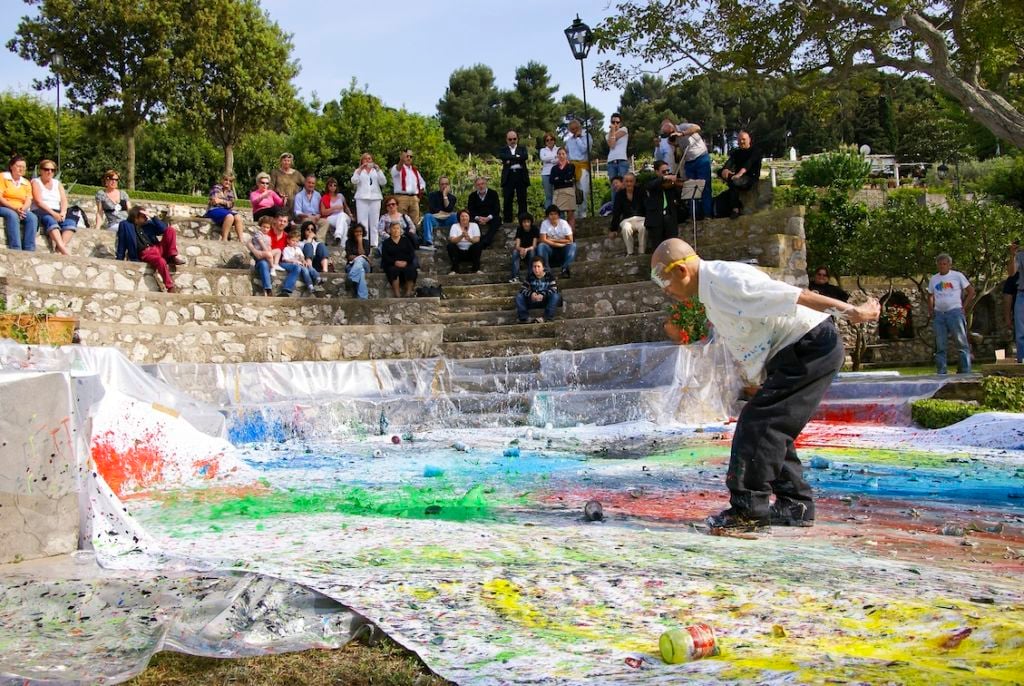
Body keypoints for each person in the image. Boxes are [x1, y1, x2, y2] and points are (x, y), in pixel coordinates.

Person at [650, 237, 880, 530]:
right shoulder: (710, 293)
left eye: (663, 281)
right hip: (789, 353)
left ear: (682, 271)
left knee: (759, 423)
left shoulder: (727, 279)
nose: (666, 291)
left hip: (810, 346)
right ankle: (795, 504)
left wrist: (853, 312)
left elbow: (797, 295)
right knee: (772, 426)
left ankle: (748, 510)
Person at [115, 206, 185, 293]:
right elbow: (121, 243)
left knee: (171, 230)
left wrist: (153, 217)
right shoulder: (125, 225)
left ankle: (172, 256)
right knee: (161, 261)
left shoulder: (148, 224)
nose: (146, 218)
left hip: (157, 248)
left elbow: (164, 229)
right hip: (146, 253)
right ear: (136, 217)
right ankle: (170, 287)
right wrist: (119, 260)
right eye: (143, 216)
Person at [928, 253, 975, 374]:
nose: (942, 266)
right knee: (940, 345)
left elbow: (971, 291)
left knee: (961, 343)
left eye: (945, 264)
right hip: (939, 314)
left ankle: (965, 370)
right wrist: (931, 310)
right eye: (940, 264)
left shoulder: (957, 276)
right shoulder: (934, 279)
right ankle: (942, 371)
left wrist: (963, 307)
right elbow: (930, 295)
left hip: (954, 312)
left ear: (949, 265)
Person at [664, 118, 713, 219]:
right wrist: (673, 144)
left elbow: (697, 127)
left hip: (701, 158)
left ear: (672, 126)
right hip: (689, 162)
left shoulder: (683, 127)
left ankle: (707, 214)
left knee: (704, 186)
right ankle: (694, 215)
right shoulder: (672, 139)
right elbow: (678, 154)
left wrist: (682, 133)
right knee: (690, 188)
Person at [30, 159, 76, 255]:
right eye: (46, 169)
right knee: (50, 220)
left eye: (52, 170)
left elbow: (63, 200)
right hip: (42, 209)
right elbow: (38, 201)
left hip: (58, 210)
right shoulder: (35, 182)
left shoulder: (57, 183)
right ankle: (63, 249)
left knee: (71, 221)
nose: (49, 172)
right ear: (41, 170)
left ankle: (58, 249)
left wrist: (63, 212)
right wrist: (53, 213)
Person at [717, 131, 762, 218]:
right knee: (721, 172)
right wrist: (725, 170)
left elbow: (748, 164)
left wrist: (739, 174)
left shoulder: (755, 151)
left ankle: (735, 209)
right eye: (739, 140)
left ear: (749, 140)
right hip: (737, 178)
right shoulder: (736, 152)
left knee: (734, 181)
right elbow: (730, 162)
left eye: (744, 139)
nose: (741, 142)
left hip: (750, 178)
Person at [351, 153, 388, 250]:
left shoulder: (376, 171)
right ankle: (364, 242)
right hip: (362, 198)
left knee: (374, 221)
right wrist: (360, 169)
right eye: (365, 159)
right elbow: (354, 181)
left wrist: (379, 169)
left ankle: (374, 243)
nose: (368, 160)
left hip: (375, 198)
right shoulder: (359, 171)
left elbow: (383, 182)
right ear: (362, 161)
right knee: (362, 221)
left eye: (369, 159)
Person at [609, 172, 647, 256]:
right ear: (623, 182)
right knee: (626, 229)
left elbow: (647, 206)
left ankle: (642, 251)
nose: (629, 183)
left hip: (641, 218)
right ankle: (630, 252)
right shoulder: (619, 195)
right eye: (627, 181)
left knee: (643, 227)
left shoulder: (641, 191)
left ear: (634, 182)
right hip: (627, 220)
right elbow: (616, 212)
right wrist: (613, 229)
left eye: (631, 181)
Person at [645, 161, 682, 247]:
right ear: (657, 172)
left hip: (670, 217)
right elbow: (649, 186)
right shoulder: (652, 182)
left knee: (672, 244)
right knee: (658, 246)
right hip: (656, 219)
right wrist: (664, 178)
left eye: (668, 171)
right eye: (664, 172)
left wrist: (676, 185)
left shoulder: (671, 184)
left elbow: (679, 197)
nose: (667, 173)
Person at [516, 256, 561, 324]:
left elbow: (554, 289)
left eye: (538, 266)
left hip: (545, 300)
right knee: (519, 296)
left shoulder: (549, 276)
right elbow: (522, 289)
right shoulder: (530, 276)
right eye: (534, 267)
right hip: (533, 300)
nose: (536, 269)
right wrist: (531, 294)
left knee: (555, 296)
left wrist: (543, 294)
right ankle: (524, 318)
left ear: (543, 267)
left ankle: (546, 317)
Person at [536, 204, 576, 279]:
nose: (553, 216)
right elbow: (542, 240)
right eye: (551, 214)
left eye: (555, 214)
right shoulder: (545, 223)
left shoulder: (564, 223)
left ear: (558, 215)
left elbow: (570, 240)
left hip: (563, 249)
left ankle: (565, 269)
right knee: (541, 246)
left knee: (573, 245)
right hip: (550, 250)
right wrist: (558, 244)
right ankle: (546, 270)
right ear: (548, 216)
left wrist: (552, 240)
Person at [280, 229, 323, 297]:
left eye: (296, 241)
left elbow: (302, 256)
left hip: (300, 263)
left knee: (309, 267)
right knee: (305, 270)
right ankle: (310, 285)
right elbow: (285, 259)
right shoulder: (286, 249)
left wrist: (304, 261)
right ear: (288, 240)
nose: (295, 243)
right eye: (293, 240)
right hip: (294, 264)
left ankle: (317, 277)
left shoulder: (298, 249)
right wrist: (294, 261)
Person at [381, 221, 417, 297]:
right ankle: (397, 294)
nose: (396, 230)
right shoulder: (386, 243)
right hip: (392, 264)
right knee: (393, 270)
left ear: (400, 230)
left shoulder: (406, 241)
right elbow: (385, 257)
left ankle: (408, 293)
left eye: (397, 228)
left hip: (406, 263)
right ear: (390, 230)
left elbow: (412, 254)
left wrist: (406, 262)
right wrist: (395, 262)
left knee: (411, 269)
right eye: (393, 228)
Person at [499, 130, 530, 223]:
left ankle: (523, 221)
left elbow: (524, 157)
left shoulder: (522, 148)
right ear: (506, 140)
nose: (512, 141)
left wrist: (510, 159)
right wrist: (517, 158)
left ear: (517, 139)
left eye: (514, 139)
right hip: (509, 176)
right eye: (510, 139)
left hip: (521, 175)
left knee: (522, 199)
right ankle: (507, 222)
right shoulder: (503, 149)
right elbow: (503, 157)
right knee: (508, 200)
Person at [204, 173, 245, 242]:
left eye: (230, 181)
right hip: (214, 210)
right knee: (230, 217)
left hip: (225, 211)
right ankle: (224, 239)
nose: (228, 182)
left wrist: (221, 201)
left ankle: (241, 241)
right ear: (222, 180)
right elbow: (215, 201)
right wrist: (225, 202)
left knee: (238, 217)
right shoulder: (216, 188)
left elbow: (231, 204)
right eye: (226, 180)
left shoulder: (230, 192)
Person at [421, 177, 458, 250]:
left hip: (447, 220)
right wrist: (444, 212)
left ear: (449, 185)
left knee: (455, 215)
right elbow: (432, 209)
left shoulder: (453, 197)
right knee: (427, 216)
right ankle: (428, 242)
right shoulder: (432, 195)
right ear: (439, 185)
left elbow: (449, 209)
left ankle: (456, 239)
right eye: (442, 184)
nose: (444, 186)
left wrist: (445, 196)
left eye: (446, 184)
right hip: (436, 220)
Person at [390, 149, 425, 225]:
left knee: (414, 222)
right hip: (401, 197)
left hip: (414, 198)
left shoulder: (415, 170)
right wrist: (401, 161)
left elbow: (422, 182)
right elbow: (397, 169)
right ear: (402, 157)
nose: (409, 158)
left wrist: (419, 193)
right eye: (407, 156)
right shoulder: (397, 167)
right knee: (401, 221)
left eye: (411, 156)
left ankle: (413, 236)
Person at [565, 119, 592, 218]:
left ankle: (583, 213)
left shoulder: (586, 137)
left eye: (576, 128)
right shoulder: (568, 141)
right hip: (572, 167)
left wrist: (578, 138)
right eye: (572, 129)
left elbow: (585, 149)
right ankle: (575, 215)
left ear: (580, 127)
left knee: (583, 191)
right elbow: (567, 153)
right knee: (573, 192)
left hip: (582, 166)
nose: (574, 130)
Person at [467, 176, 502, 249]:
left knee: (498, 219)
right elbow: (471, 209)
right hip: (477, 217)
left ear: (486, 184)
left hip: (489, 217)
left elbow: (497, 208)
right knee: (470, 220)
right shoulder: (472, 196)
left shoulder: (493, 193)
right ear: (475, 186)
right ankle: (480, 239)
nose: (481, 186)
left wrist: (488, 218)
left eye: (482, 184)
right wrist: (478, 218)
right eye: (478, 184)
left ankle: (486, 240)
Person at [447, 209, 483, 274]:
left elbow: (477, 239)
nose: (464, 218)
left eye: (466, 216)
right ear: (459, 218)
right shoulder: (454, 226)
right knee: (450, 246)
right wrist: (461, 236)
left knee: (478, 245)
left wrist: (469, 239)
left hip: (470, 251)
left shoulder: (474, 225)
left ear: (469, 217)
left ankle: (476, 269)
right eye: (462, 216)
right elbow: (452, 240)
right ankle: (455, 270)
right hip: (458, 252)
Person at [248, 215, 276, 297]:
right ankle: (268, 289)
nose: (265, 229)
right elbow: (255, 243)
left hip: (267, 258)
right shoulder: (258, 235)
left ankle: (272, 267)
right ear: (260, 226)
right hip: (259, 260)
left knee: (268, 260)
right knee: (263, 263)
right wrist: (267, 252)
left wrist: (270, 253)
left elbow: (269, 247)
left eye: (267, 227)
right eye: (264, 227)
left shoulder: (268, 238)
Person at [319, 177, 354, 242]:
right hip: (331, 217)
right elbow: (323, 212)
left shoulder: (340, 196)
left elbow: (346, 207)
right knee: (344, 224)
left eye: (335, 185)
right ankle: (343, 244)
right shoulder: (325, 197)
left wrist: (350, 214)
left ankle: (338, 234)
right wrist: (333, 208)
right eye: (331, 185)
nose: (333, 187)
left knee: (342, 215)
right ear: (327, 187)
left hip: (343, 216)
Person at [549, 148, 577, 230]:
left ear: (566, 155)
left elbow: (569, 177)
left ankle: (571, 235)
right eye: (559, 154)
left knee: (570, 215)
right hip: (558, 192)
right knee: (557, 214)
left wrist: (558, 178)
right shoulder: (554, 168)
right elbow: (551, 180)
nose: (561, 156)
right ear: (557, 155)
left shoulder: (571, 166)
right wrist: (564, 179)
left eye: (563, 154)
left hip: (569, 192)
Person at [345, 223, 372, 300]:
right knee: (361, 271)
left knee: (360, 260)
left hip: (365, 265)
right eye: (356, 231)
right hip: (351, 266)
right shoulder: (348, 242)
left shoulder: (366, 242)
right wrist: (361, 256)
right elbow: (349, 257)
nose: (359, 233)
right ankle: (362, 297)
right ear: (353, 232)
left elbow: (363, 254)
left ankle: (351, 277)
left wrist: (360, 242)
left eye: (360, 232)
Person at [510, 213, 538, 282]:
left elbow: (534, 245)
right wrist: (521, 249)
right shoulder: (519, 229)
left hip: (530, 249)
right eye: (524, 222)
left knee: (532, 253)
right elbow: (517, 246)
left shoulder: (534, 229)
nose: (526, 224)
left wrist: (526, 249)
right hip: (522, 249)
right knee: (515, 253)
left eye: (528, 222)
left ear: (531, 222)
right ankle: (515, 276)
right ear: (521, 223)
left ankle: (531, 276)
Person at [1007, 241, 1023, 362]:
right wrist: (1012, 255)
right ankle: (1022, 361)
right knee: (1021, 332)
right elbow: (1012, 273)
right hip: (1022, 294)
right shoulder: (1020, 255)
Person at [606, 113, 630, 180]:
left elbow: (613, 142)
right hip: (611, 161)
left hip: (622, 160)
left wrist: (613, 130)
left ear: (620, 123)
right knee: (614, 185)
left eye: (617, 122)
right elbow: (612, 145)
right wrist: (612, 131)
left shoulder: (624, 129)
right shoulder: (607, 135)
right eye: (613, 122)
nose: (615, 124)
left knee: (623, 183)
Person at [539, 133, 558, 209]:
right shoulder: (542, 150)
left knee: (557, 195)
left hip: (557, 173)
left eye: (551, 139)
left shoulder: (558, 149)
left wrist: (549, 159)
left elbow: (560, 159)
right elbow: (543, 159)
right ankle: (549, 215)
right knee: (548, 196)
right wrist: (554, 157)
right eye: (547, 140)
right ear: (545, 142)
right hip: (546, 174)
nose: (549, 141)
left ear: (554, 140)